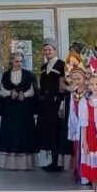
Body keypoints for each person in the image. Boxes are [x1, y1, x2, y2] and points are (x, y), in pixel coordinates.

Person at [0, 50, 38, 170]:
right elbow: (1, 91)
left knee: (24, 134)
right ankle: (11, 165)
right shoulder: (5, 75)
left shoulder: (29, 75)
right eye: (16, 61)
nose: (19, 63)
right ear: (12, 62)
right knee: (10, 134)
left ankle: (26, 165)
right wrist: (10, 93)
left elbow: (33, 90)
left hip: (25, 110)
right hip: (10, 110)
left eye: (20, 61)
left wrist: (24, 95)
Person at [36, 38, 67, 172]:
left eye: (50, 49)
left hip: (56, 102)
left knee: (57, 131)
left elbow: (63, 87)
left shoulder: (62, 65)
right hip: (46, 104)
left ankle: (58, 163)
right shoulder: (43, 67)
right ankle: (53, 161)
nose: (47, 52)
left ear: (55, 50)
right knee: (48, 131)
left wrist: (61, 103)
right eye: (45, 50)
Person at [77, 59, 97, 186]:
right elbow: (84, 124)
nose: (94, 87)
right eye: (92, 84)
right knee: (95, 169)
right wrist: (84, 142)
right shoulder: (85, 102)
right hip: (92, 136)